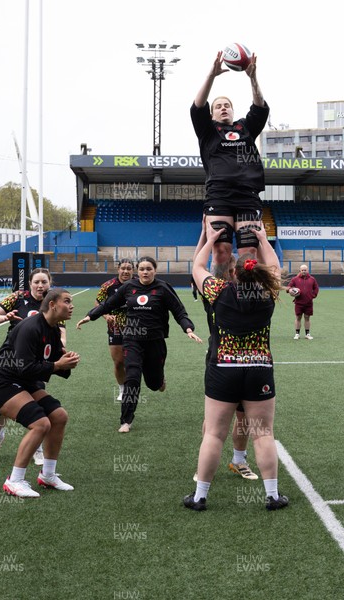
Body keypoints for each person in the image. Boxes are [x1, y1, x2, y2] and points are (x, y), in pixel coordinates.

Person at [183, 222, 288, 511]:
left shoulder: (218, 290)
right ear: (260, 273)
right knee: (263, 434)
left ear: (233, 273)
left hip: (223, 369)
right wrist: (264, 241)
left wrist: (211, 237)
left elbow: (197, 266)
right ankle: (272, 496)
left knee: (214, 434)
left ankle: (200, 496)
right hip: (258, 369)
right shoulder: (269, 293)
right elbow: (276, 267)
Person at [77, 256, 202, 432]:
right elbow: (108, 304)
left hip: (155, 341)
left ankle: (159, 380)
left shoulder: (163, 288)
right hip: (132, 339)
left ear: (155, 271)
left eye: (148, 269)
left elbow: (179, 311)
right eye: (142, 269)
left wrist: (188, 329)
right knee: (132, 378)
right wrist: (91, 316)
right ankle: (126, 420)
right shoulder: (129, 287)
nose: (145, 272)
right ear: (138, 271)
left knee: (153, 383)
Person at [0, 288, 79, 498]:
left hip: (24, 381)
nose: (72, 306)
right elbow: (25, 368)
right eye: (67, 301)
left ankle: (48, 475)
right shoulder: (30, 327)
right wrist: (57, 365)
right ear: (52, 304)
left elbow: (50, 362)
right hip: (2, 383)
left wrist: (66, 362)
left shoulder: (53, 329)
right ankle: (14, 481)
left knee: (59, 417)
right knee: (41, 423)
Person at [192, 218, 258, 482]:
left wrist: (206, 237)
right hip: (220, 357)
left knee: (243, 416)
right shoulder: (214, 291)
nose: (229, 265)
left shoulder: (254, 294)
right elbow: (201, 263)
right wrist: (204, 237)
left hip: (251, 361)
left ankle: (239, 460)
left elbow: (199, 263)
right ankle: (203, 467)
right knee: (214, 419)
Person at [191, 50, 269, 266]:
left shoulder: (245, 128)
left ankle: (246, 298)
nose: (223, 108)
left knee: (249, 254)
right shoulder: (207, 130)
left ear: (233, 111)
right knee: (222, 252)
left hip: (247, 196)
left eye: (227, 105)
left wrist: (253, 78)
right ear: (211, 114)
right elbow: (198, 105)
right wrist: (211, 75)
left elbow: (260, 107)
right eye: (218, 106)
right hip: (219, 196)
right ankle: (221, 297)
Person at [0, 268, 66, 464]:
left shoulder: (54, 303)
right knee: (0, 407)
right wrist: (5, 318)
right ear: (29, 284)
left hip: (36, 362)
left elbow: (60, 330)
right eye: (36, 282)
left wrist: (62, 349)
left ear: (49, 283)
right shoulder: (17, 298)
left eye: (44, 282)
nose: (40, 286)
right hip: (13, 358)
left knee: (36, 405)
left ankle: (37, 448)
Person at [95, 259, 134, 401]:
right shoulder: (108, 286)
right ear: (118, 269)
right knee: (119, 362)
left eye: (129, 268)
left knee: (136, 360)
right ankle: (123, 389)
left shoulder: (138, 283)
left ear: (133, 271)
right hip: (115, 328)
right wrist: (106, 315)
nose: (125, 271)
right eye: (123, 268)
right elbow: (98, 302)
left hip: (137, 326)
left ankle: (135, 387)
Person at [286, 264, 319, 340]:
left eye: (305, 270)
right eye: (302, 270)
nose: (304, 271)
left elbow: (316, 288)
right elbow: (288, 287)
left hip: (308, 303)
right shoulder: (295, 279)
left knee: (307, 318)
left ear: (307, 271)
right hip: (298, 303)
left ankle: (307, 334)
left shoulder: (312, 279)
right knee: (298, 317)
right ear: (300, 271)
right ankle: (297, 334)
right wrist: (290, 290)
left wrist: (312, 295)